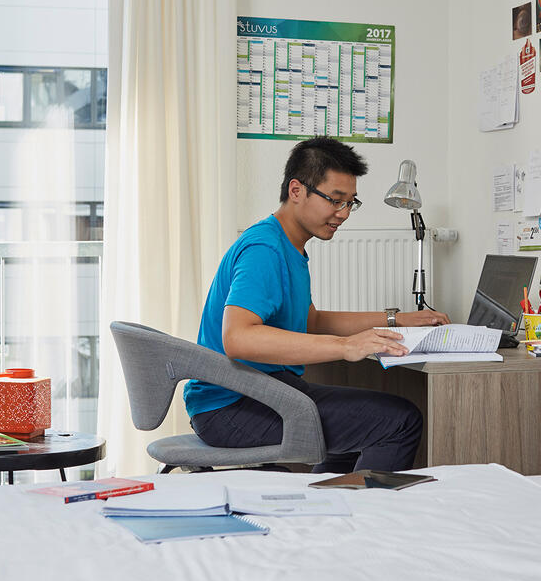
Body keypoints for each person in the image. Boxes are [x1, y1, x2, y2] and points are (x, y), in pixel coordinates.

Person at [184, 137, 451, 472]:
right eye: (335, 201)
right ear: (297, 191)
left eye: (351, 203)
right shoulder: (265, 250)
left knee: (365, 420)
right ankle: (365, 520)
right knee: (399, 421)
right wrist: (345, 346)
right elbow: (237, 339)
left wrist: (395, 319)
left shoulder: (288, 245)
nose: (343, 214)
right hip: (231, 407)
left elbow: (310, 321)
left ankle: (329, 505)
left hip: (258, 393)